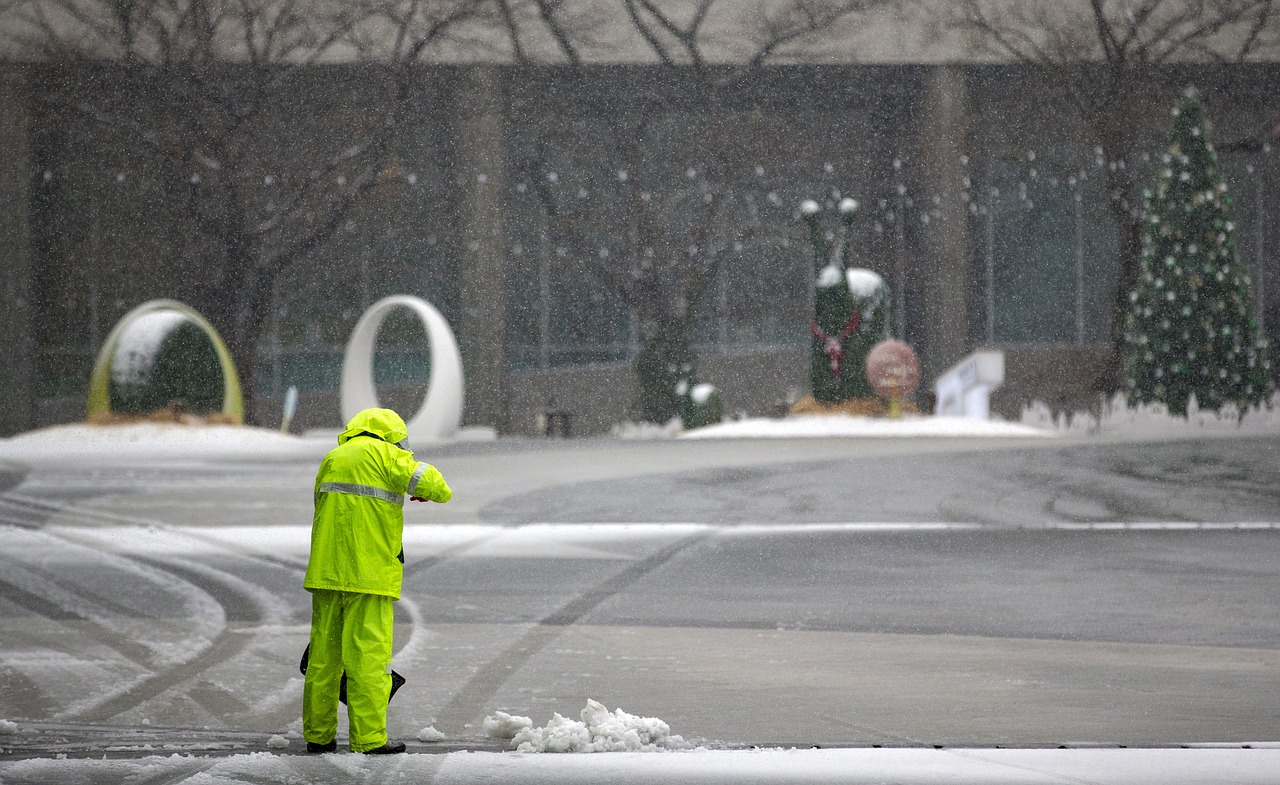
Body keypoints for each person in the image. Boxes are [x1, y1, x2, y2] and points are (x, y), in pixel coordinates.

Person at [302, 407, 452, 754]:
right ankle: (369, 739)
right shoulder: (388, 456)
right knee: (367, 658)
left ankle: (319, 735)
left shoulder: (334, 457)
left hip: (326, 573)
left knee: (324, 659)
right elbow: (439, 487)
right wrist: (419, 486)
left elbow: (321, 504)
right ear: (392, 437)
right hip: (368, 577)